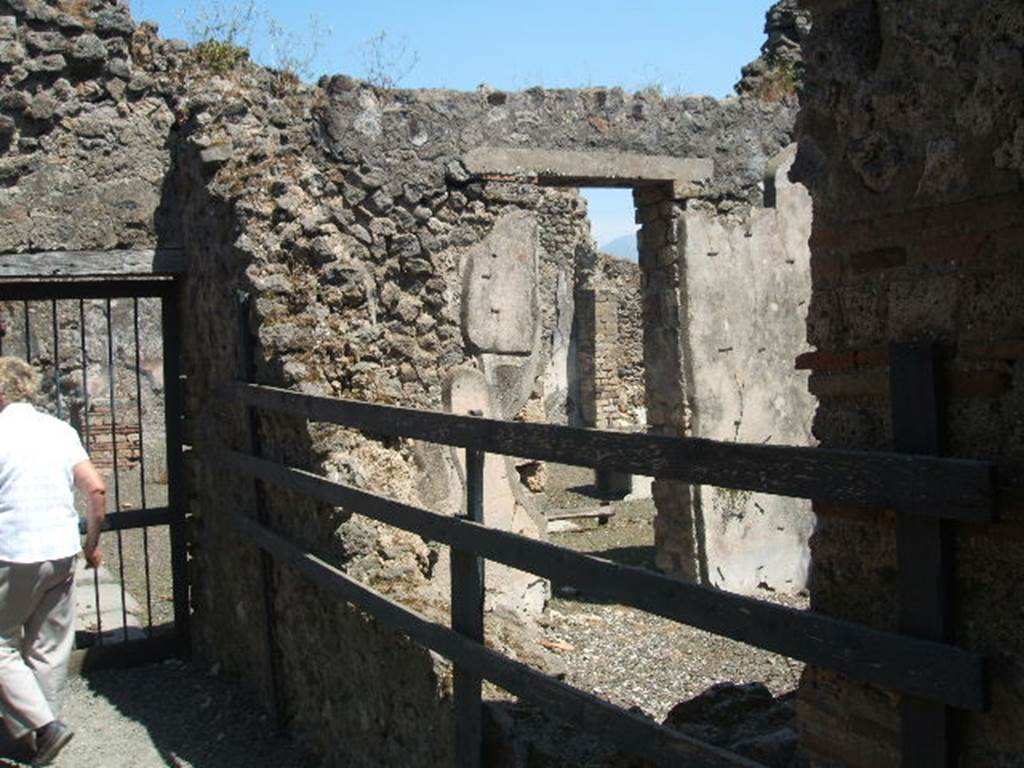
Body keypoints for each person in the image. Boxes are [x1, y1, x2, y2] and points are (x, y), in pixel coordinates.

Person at [0, 357, 106, 766]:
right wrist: (92, 544)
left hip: (11, 552)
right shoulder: (60, 430)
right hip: (62, 550)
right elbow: (95, 489)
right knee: (49, 647)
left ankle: (44, 727)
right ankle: (40, 736)